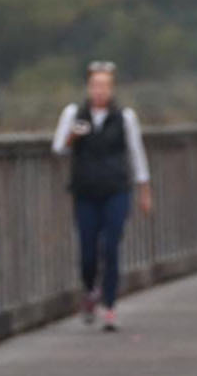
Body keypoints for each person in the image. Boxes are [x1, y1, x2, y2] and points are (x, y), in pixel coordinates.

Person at [51, 61, 153, 332]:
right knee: (87, 249)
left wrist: (144, 189)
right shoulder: (75, 113)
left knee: (110, 246)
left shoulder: (125, 117)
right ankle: (89, 289)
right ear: (88, 86)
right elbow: (58, 148)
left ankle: (110, 306)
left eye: (105, 86)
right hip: (85, 191)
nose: (100, 91)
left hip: (116, 189)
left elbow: (136, 152)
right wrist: (73, 135)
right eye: (95, 85)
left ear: (112, 88)